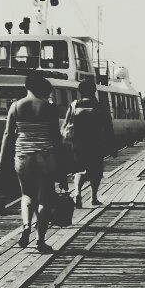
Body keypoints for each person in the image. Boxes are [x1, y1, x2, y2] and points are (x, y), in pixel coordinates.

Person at [0, 73, 62, 252]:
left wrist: (1, 161)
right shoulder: (49, 108)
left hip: (22, 156)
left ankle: (26, 226)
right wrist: (62, 162)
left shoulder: (15, 106)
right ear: (41, 87)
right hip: (45, 156)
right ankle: (40, 240)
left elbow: (8, 135)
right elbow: (56, 136)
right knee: (44, 199)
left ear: (26, 87)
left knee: (26, 195)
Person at [64, 78, 114, 207]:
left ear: (80, 91)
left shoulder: (74, 105)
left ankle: (77, 193)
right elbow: (108, 127)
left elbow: (65, 125)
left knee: (79, 170)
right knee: (95, 171)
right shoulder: (100, 106)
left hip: (77, 144)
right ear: (94, 91)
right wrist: (111, 145)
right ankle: (93, 197)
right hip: (95, 143)